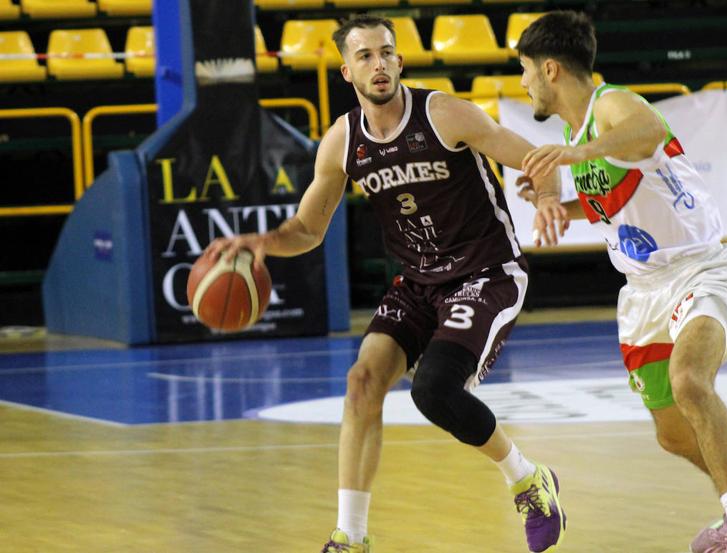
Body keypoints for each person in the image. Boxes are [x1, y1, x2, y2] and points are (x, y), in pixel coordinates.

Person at [205, 15, 570, 553]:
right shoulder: (342, 141)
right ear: (347, 72)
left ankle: (527, 480)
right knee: (361, 383)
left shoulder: (444, 114)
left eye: (386, 53)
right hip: (417, 283)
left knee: (433, 390)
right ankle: (350, 537)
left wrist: (546, 198)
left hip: (485, 273)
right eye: (365, 57)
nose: (378, 64)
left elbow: (536, 159)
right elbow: (307, 229)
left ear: (400, 61)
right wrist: (260, 244)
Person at [515, 11, 727, 553]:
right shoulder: (577, 133)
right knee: (672, 435)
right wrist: (559, 207)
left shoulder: (610, 104)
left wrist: (577, 154)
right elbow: (615, 202)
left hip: (698, 268)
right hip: (642, 293)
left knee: (691, 380)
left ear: (550, 69)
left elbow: (649, 131)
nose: (523, 82)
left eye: (524, 70)